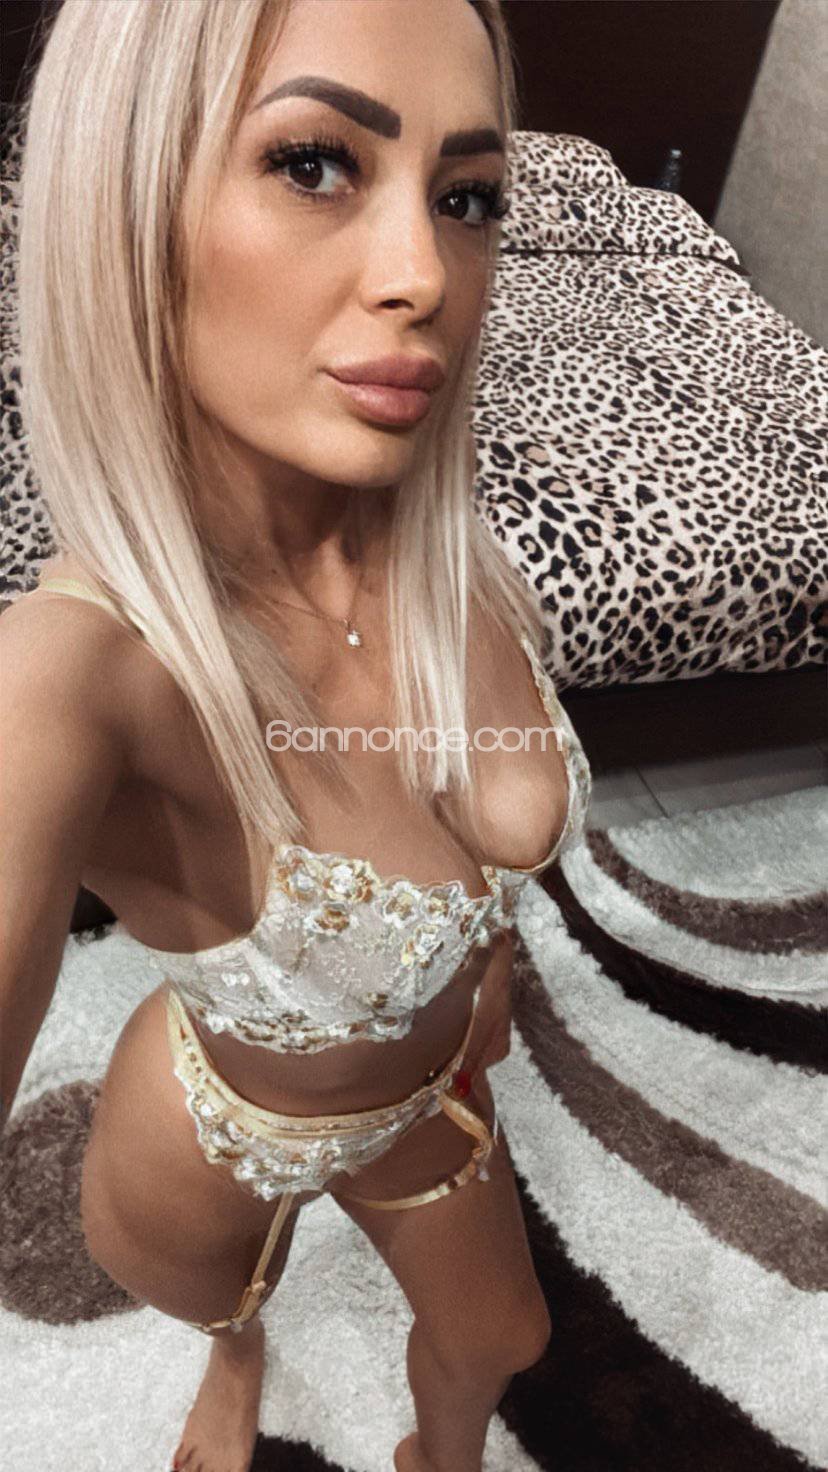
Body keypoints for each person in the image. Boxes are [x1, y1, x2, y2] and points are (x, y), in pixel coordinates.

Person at [0, 2, 591, 1469]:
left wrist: (485, 968)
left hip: (422, 1088)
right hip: (215, 1132)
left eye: (468, 197)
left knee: (505, 1338)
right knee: (225, 1296)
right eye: (315, 163)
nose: (424, 276)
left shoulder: (440, 542)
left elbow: (481, 860)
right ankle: (236, 1357)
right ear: (128, 205)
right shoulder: (71, 676)